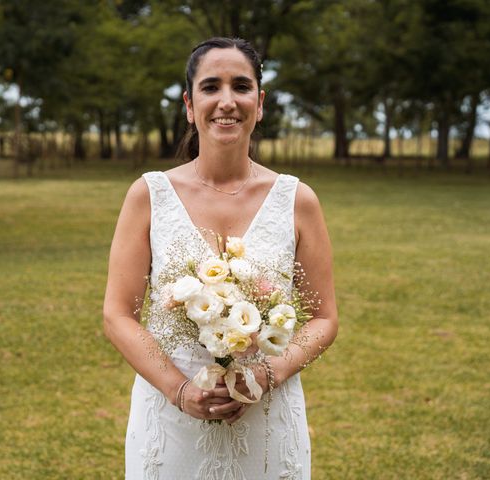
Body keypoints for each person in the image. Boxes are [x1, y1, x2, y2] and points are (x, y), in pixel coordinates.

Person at [103, 37, 338, 479]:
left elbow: (324, 318)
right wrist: (180, 390)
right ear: (190, 106)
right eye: (211, 87)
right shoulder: (149, 196)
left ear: (260, 103)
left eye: (241, 86)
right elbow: (119, 315)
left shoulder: (297, 200)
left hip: (267, 425)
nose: (227, 102)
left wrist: (269, 373)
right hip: (172, 424)